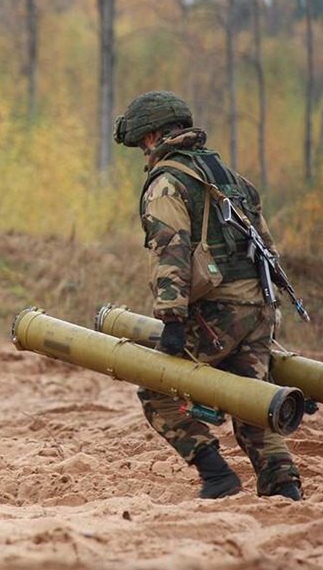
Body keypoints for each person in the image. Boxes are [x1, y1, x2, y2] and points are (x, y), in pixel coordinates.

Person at [113, 91, 302, 501]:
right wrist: (269, 313)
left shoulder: (167, 182)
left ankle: (217, 476)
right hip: (259, 308)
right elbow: (267, 249)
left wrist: (172, 321)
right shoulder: (231, 179)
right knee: (252, 400)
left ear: (151, 137)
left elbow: (171, 251)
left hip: (215, 314)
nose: (142, 153)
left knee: (156, 389)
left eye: (141, 144)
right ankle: (283, 485)